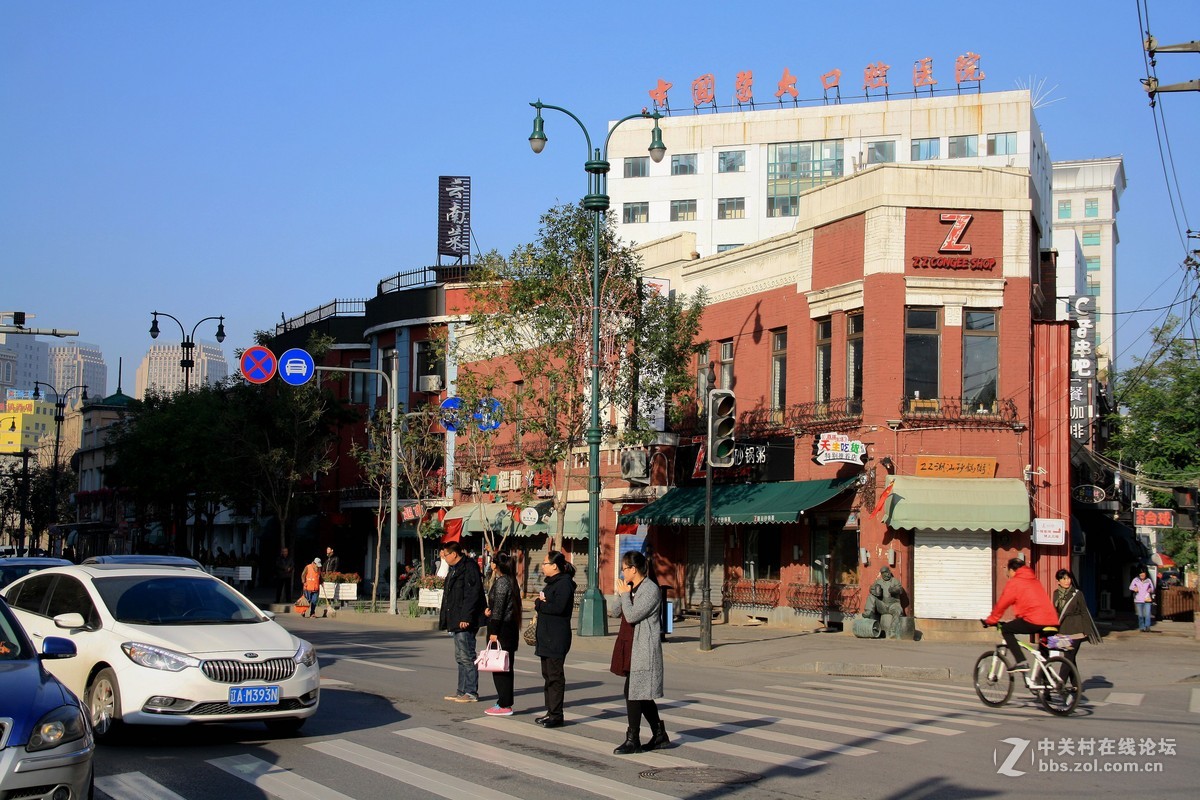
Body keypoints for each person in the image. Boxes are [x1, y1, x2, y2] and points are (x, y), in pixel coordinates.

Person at [610, 550, 668, 755]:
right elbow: (616, 612)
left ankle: (632, 739)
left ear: (634, 569)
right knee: (638, 692)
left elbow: (633, 615)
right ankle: (659, 734)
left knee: (634, 692)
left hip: (643, 648)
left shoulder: (650, 589)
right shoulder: (632, 587)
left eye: (624, 568)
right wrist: (622, 594)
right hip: (629, 644)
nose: (622, 572)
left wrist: (626, 595)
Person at [983, 557, 1059, 671]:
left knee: (1007, 630)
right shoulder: (1034, 580)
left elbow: (1002, 604)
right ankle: (1046, 682)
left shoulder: (1015, 582)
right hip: (1052, 621)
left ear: (1012, 570)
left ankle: (1021, 661)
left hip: (1034, 620)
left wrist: (991, 620)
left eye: (1008, 571)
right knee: (1043, 653)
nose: (1008, 574)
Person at [437, 541, 486, 703]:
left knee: (467, 656)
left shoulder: (469, 567)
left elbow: (473, 594)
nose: (443, 557)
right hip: (455, 618)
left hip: (465, 620)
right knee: (460, 656)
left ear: (454, 554)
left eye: (445, 554)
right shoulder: (454, 569)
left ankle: (471, 692)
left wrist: (466, 617)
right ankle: (461, 691)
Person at [533, 550, 576, 728]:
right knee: (547, 675)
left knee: (555, 677)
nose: (542, 566)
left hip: (556, 637)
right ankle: (550, 711)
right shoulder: (551, 583)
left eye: (545, 563)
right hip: (546, 636)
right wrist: (540, 604)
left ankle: (557, 715)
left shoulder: (564, 584)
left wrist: (539, 604)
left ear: (554, 566)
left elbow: (558, 608)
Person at [483, 551, 520, 716]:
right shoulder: (511, 581)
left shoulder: (502, 583)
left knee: (500, 668)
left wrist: (493, 632)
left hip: (502, 630)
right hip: (509, 627)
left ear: (495, 565)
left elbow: (498, 610)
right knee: (505, 667)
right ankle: (504, 701)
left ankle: (504, 703)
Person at [1053, 568, 1102, 667]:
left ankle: (1060, 681)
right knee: (1070, 658)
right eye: (1063, 579)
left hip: (1076, 630)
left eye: (1068, 578)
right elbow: (1055, 612)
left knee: (1068, 658)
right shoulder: (1056, 593)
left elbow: (1084, 612)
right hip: (1062, 630)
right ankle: (1076, 682)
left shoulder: (1077, 594)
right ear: (1058, 581)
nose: (1067, 581)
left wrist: (1087, 631)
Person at [1129, 566, 1155, 632]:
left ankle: (1147, 626)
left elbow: (1153, 589)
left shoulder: (1148, 580)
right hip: (1138, 600)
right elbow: (1130, 587)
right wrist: (1134, 588)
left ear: (1146, 574)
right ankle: (1141, 627)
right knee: (1140, 615)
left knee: (1147, 614)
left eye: (1143, 573)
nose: (1142, 575)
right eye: (1140, 573)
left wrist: (1150, 589)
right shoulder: (1135, 579)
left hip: (1147, 600)